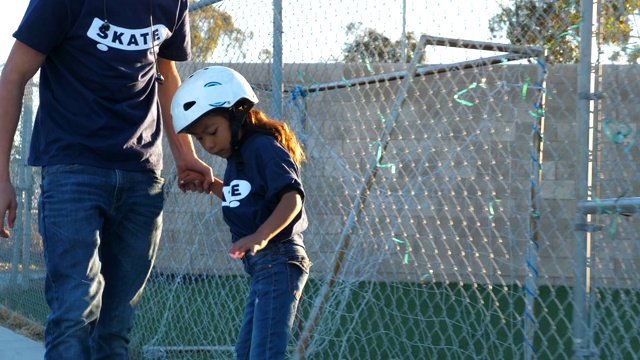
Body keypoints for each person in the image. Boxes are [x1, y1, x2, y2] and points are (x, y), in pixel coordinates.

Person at [0, 0, 213, 358]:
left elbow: (166, 74)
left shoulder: (173, 2)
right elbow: (14, 75)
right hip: (73, 172)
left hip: (143, 177)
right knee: (73, 317)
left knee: (115, 331)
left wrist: (184, 154)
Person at [171, 65, 312, 360]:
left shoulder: (262, 147)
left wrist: (261, 235)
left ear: (239, 112)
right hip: (263, 266)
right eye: (200, 139)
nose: (208, 144)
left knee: (263, 354)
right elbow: (246, 197)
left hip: (279, 258)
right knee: (245, 353)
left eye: (211, 132)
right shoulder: (238, 156)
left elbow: (292, 197)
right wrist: (211, 186)